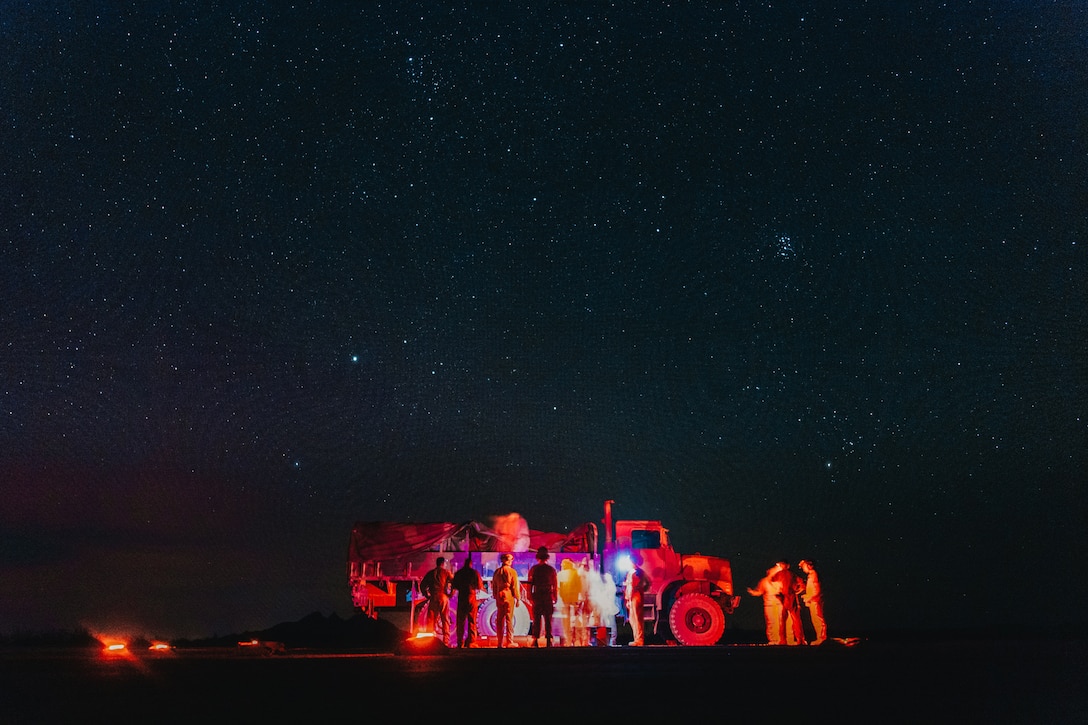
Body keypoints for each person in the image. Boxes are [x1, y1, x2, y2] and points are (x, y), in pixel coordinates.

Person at [450, 556, 485, 648]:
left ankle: (459, 643)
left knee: (460, 621)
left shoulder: (459, 573)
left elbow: (454, 585)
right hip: (471, 597)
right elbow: (479, 586)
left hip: (462, 597)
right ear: (471, 564)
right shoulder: (474, 573)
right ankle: (471, 642)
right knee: (472, 620)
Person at [527, 546, 558, 647]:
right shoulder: (551, 570)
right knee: (548, 619)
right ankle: (548, 639)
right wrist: (555, 596)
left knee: (537, 618)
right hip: (547, 596)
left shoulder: (534, 569)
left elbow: (530, 584)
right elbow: (555, 585)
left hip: (537, 596)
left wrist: (529, 596)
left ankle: (535, 640)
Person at [771, 559, 806, 646]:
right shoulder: (792, 574)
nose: (781, 566)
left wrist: (777, 591)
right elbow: (803, 584)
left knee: (785, 620)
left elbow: (771, 580)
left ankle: (785, 640)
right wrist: (798, 590)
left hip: (785, 598)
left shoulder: (781, 574)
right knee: (795, 619)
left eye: (781, 565)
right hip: (789, 597)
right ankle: (800, 640)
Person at [420, 556, 453, 645]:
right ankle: (446, 641)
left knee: (431, 619)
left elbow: (422, 585)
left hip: (433, 597)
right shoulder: (446, 572)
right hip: (443, 597)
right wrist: (451, 594)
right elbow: (454, 582)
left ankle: (429, 641)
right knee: (445, 619)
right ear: (443, 564)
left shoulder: (430, 573)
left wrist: (426, 594)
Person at [491, 553, 521, 648]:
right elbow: (515, 586)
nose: (512, 561)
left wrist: (495, 595)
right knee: (509, 618)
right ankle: (509, 641)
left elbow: (494, 586)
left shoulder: (496, 572)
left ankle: (499, 643)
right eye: (511, 560)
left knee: (500, 619)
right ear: (508, 560)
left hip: (499, 595)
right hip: (508, 594)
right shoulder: (512, 571)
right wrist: (518, 598)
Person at [747, 566, 783, 645]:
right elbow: (760, 591)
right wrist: (752, 592)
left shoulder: (780, 581)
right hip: (769, 605)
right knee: (771, 622)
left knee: (780, 622)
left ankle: (781, 639)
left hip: (779, 604)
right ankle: (773, 639)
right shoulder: (764, 581)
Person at [623, 555, 651, 646]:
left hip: (635, 596)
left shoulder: (636, 572)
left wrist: (639, 590)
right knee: (632, 619)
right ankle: (637, 639)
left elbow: (633, 586)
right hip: (633, 597)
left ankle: (639, 640)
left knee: (637, 618)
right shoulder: (631, 572)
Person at [558, 558, 585, 646]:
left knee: (566, 622)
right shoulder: (575, 573)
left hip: (564, 601)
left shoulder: (560, 574)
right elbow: (579, 586)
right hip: (574, 601)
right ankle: (577, 640)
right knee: (576, 621)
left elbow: (558, 588)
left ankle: (568, 641)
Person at [799, 559, 827, 645]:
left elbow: (817, 589)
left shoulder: (814, 575)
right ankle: (820, 638)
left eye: (803, 566)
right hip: (813, 600)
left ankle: (822, 639)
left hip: (815, 600)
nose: (803, 569)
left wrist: (810, 597)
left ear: (809, 566)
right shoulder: (811, 575)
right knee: (815, 619)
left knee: (818, 619)